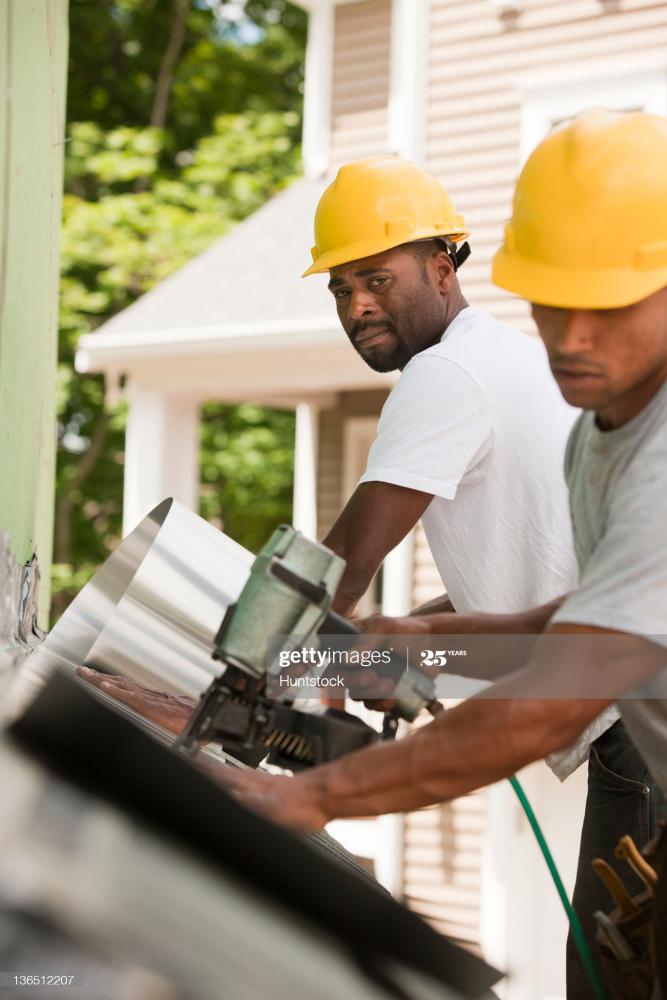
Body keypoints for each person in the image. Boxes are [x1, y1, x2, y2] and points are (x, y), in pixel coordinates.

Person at [206, 110, 667, 998]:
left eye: (605, 306)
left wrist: (318, 792)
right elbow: (567, 625)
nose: (570, 338)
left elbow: (556, 694)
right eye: (550, 301)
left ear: (442, 267)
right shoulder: (601, 431)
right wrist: (418, 647)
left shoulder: (640, 447)